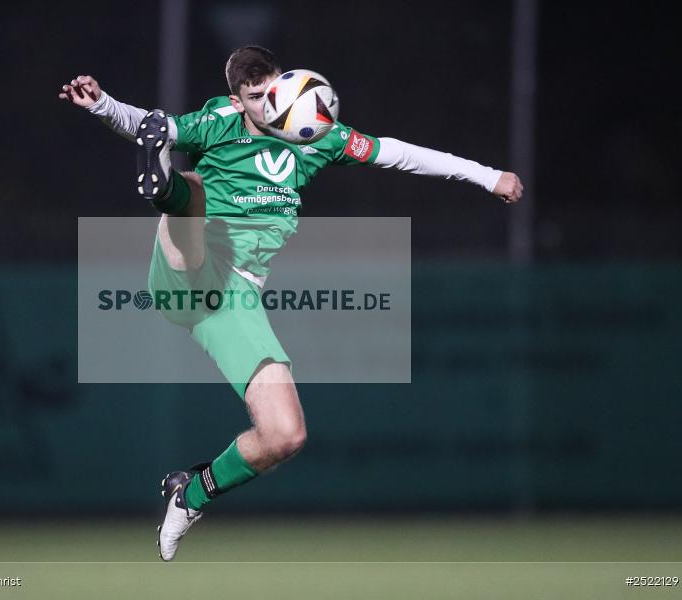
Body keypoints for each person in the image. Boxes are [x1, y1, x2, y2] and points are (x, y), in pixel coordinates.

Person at [60, 46, 522, 561]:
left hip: (233, 300)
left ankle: (189, 495)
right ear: (237, 102)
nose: (270, 105)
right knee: (193, 193)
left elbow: (397, 151)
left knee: (286, 435)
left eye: (274, 91)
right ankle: (163, 185)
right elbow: (154, 125)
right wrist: (103, 105)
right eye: (256, 98)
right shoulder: (218, 120)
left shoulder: (319, 134)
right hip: (185, 264)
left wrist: (486, 175)